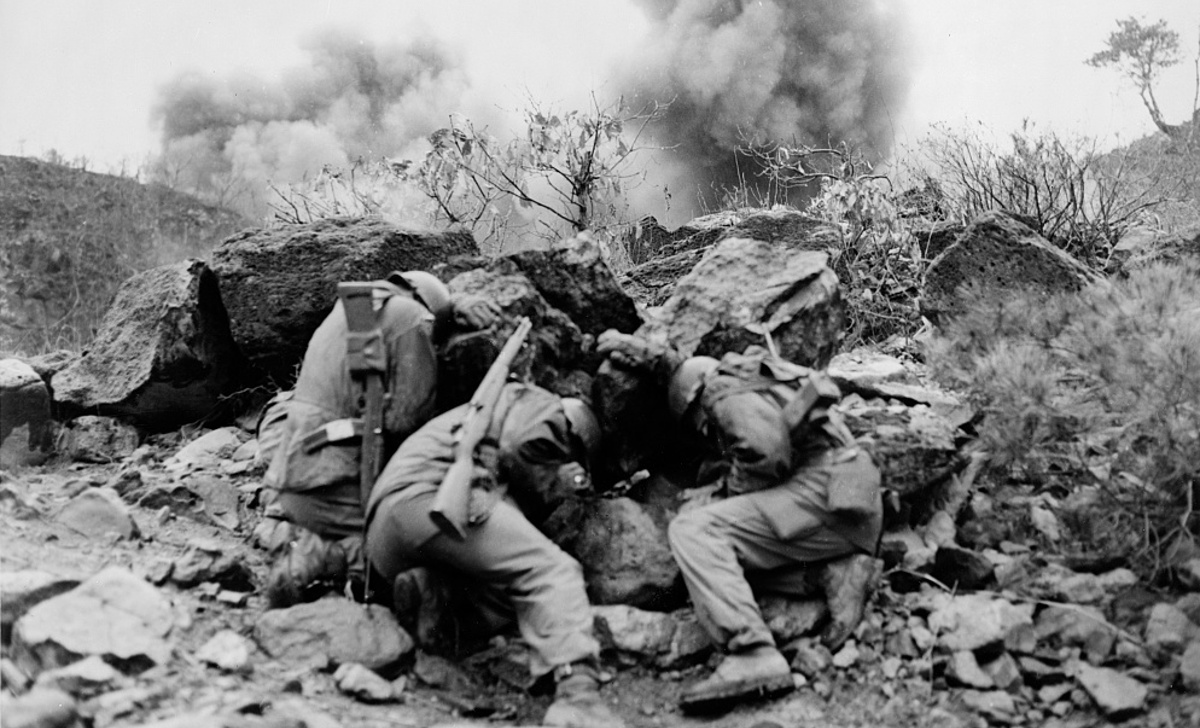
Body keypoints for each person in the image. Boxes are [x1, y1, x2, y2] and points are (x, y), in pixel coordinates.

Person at [597, 331, 882, 713]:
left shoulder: (719, 391)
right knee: (723, 563)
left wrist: (728, 495)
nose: (707, 433)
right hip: (851, 505)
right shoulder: (760, 381)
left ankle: (752, 652)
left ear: (693, 405)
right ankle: (829, 573)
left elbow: (766, 451)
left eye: (700, 426)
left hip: (824, 496)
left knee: (695, 532)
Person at [365, 381, 623, 728]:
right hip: (433, 499)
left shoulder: (490, 413)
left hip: (385, 533)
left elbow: (505, 479)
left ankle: (433, 594)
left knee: (507, 590)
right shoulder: (545, 407)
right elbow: (519, 445)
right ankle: (578, 694)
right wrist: (555, 479)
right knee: (552, 570)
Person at [258, 270, 499, 606]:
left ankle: (304, 553)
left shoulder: (352, 310)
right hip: (334, 483)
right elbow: (407, 417)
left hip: (294, 479)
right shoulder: (412, 318)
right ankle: (313, 564)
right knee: (407, 544)